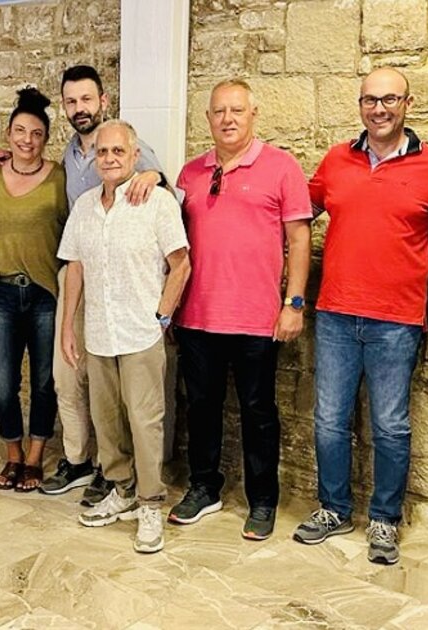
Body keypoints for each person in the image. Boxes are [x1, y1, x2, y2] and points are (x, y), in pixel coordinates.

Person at [294, 68, 428, 565]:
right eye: (370, 100)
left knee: (390, 425)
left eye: (389, 99)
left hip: (396, 319)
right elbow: (296, 215)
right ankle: (334, 509)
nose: (379, 109)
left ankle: (385, 519)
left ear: (407, 103)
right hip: (336, 314)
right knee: (329, 419)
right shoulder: (337, 160)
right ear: (360, 104)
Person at [170, 79, 312, 541]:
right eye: (218, 111)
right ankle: (204, 487)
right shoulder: (190, 173)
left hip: (257, 317)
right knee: (201, 408)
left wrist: (294, 304)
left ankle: (263, 500)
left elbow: (299, 239)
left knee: (258, 411)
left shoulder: (282, 167)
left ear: (253, 114)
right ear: (207, 119)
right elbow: (171, 242)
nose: (227, 119)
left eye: (236, 110)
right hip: (196, 316)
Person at [58, 119, 191, 553]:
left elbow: (181, 264)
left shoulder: (157, 202)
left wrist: (163, 316)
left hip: (140, 333)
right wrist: (67, 326)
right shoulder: (84, 207)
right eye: (102, 152)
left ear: (135, 155)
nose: (110, 159)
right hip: (98, 332)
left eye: (118, 151)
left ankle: (150, 503)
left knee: (145, 421)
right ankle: (122, 489)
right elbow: (74, 267)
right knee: (106, 420)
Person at [45, 65, 170, 505]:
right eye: (71, 101)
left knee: (130, 395)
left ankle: (120, 475)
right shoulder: (68, 154)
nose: (79, 108)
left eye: (86, 99)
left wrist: (156, 176)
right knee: (70, 373)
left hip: (124, 282)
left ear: (103, 100)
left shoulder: (128, 146)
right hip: (80, 270)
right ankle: (81, 460)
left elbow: (163, 196)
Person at [0, 87, 68, 493]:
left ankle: (34, 457)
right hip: (0, 292)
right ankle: (12, 453)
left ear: (46, 139)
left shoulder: (60, 178)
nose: (27, 140)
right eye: (19, 131)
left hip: (46, 292)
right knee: (1, 383)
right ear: (8, 134)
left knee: (45, 381)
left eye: (36, 133)